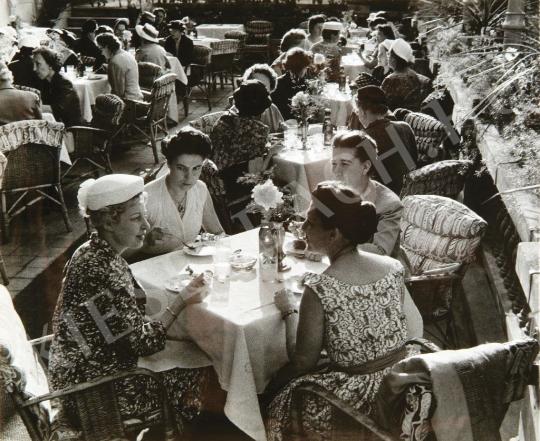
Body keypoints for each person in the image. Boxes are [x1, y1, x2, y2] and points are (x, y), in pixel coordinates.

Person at [48, 174, 211, 432]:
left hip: (81, 371)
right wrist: (181, 300)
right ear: (108, 222)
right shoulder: (100, 270)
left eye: (144, 216)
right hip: (94, 393)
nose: (146, 225)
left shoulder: (91, 252)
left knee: (191, 349)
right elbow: (142, 344)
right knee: (205, 368)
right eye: (136, 218)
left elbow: (118, 329)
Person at [265, 181, 422, 441]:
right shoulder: (392, 267)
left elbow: (303, 361)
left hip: (358, 401)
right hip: (401, 384)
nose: (302, 228)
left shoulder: (320, 288)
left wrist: (288, 311)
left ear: (334, 234)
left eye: (310, 223)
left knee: (276, 401)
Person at [140, 128, 224, 256]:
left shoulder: (200, 189)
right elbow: (123, 253)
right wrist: (146, 241)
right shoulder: (147, 196)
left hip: (189, 267)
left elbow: (217, 233)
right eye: (181, 168)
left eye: (196, 168)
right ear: (168, 164)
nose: (189, 178)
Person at [332, 130, 402, 256]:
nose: (336, 171)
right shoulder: (333, 193)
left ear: (365, 167)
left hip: (379, 272)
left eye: (344, 163)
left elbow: (379, 252)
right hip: (340, 267)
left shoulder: (389, 205)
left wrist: (328, 247)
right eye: (334, 163)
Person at [355, 86, 417, 194]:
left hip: (381, 197)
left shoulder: (363, 139)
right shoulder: (405, 127)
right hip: (410, 191)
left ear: (363, 112)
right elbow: (414, 162)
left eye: (357, 111)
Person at [33, 47, 81, 126]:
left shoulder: (64, 83)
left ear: (50, 65)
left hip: (72, 131)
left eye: (38, 64)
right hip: (55, 127)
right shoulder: (45, 82)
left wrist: (31, 106)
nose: (34, 69)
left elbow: (58, 110)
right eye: (33, 64)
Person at [381, 38, 432, 111]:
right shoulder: (413, 74)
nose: (388, 57)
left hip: (399, 118)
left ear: (394, 59)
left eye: (389, 54)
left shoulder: (391, 80)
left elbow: (381, 105)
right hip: (415, 116)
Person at [96, 32, 143, 101]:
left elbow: (118, 93)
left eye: (101, 49)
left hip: (129, 102)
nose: (101, 53)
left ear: (107, 46)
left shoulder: (115, 61)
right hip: (137, 96)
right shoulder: (127, 54)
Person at [241, 64, 284, 132]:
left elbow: (281, 130)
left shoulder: (273, 109)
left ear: (270, 90)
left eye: (264, 87)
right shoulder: (238, 109)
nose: (260, 91)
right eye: (256, 85)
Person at [271, 48, 311, 121]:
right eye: (305, 68)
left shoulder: (278, 82)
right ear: (301, 68)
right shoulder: (278, 84)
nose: (306, 70)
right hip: (285, 122)